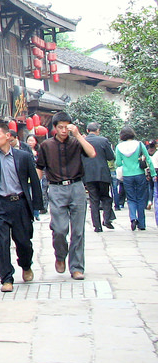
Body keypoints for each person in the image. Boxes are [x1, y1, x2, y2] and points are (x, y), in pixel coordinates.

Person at [0, 125, 43, 293]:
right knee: (2, 243)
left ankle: (26, 265)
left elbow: (34, 182)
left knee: (23, 242)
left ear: (8, 136)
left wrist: (37, 205)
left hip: (20, 203)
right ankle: (6, 278)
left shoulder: (24, 157)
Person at [35, 111, 96, 280]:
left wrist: (78, 135)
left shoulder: (77, 143)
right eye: (60, 127)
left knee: (78, 231)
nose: (63, 130)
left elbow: (92, 153)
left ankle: (77, 267)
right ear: (54, 128)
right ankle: (60, 255)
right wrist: (33, 189)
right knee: (60, 229)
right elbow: (39, 167)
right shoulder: (46, 145)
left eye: (66, 127)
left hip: (76, 187)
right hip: (56, 189)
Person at [114, 126, 155, 232]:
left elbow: (118, 163)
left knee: (131, 199)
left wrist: (124, 163)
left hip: (127, 176)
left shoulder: (119, 147)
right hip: (140, 174)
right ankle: (141, 223)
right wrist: (153, 174)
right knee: (141, 198)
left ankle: (133, 218)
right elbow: (149, 160)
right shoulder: (140, 144)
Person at [83, 122, 116, 232]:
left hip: (88, 175)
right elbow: (111, 157)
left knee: (94, 200)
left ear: (87, 130)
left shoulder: (83, 142)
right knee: (106, 197)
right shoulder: (103, 141)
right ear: (98, 131)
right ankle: (107, 219)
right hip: (103, 174)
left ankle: (97, 226)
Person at [25, 134, 42, 219]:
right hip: (27, 175)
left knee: (37, 192)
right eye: (29, 140)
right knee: (28, 193)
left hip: (37, 174)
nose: (30, 142)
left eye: (32, 140)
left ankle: (36, 212)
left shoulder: (39, 151)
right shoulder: (24, 150)